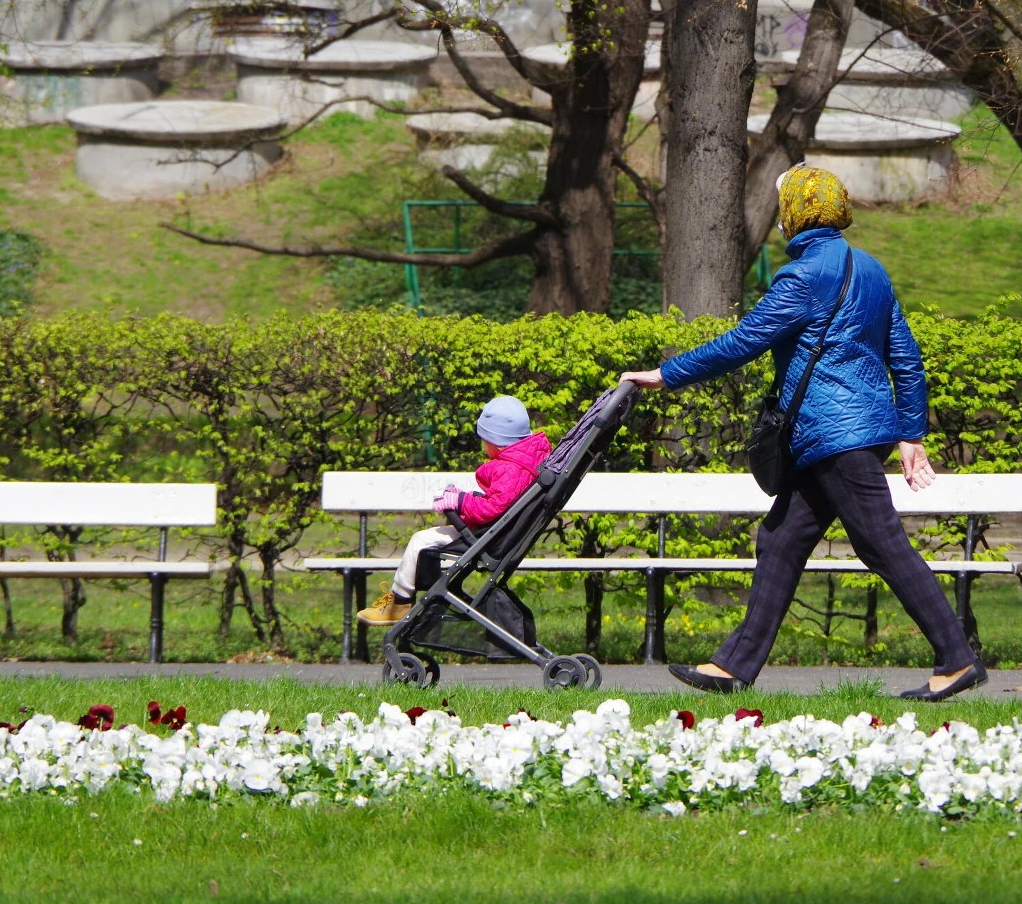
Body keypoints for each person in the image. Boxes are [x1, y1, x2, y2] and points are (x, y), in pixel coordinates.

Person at [620, 166, 985, 702]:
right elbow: (905, 356)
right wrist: (910, 433)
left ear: (793, 214)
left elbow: (745, 340)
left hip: (832, 433)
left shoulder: (802, 276)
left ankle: (956, 658)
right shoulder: (872, 269)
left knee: (883, 545)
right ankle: (734, 666)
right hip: (853, 434)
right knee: (782, 539)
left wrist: (666, 374)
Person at [358, 395, 552, 626]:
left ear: (497, 441)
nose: (482, 445)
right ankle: (417, 597)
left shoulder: (509, 469)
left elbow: (494, 507)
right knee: (426, 540)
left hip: (488, 538)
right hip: (496, 533)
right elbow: (502, 503)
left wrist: (459, 502)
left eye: (484, 440)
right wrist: (465, 498)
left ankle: (399, 602)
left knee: (421, 540)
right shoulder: (525, 462)